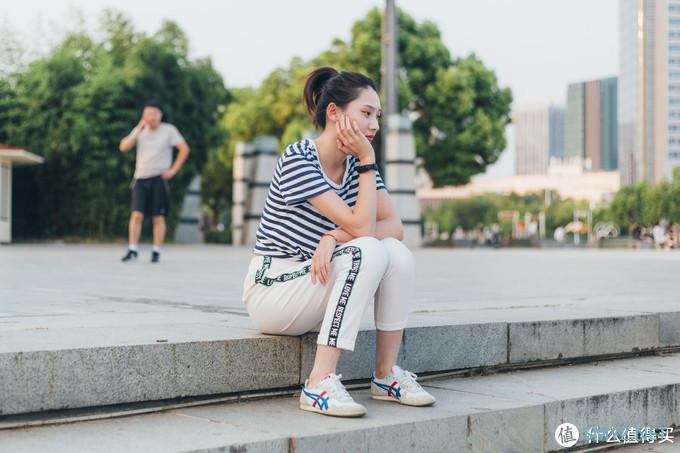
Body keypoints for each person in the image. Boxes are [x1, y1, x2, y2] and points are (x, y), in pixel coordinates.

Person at [241, 67, 435, 418]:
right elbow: (363, 227)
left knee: (397, 253)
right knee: (369, 248)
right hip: (273, 290)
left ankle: (386, 375)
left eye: (377, 115)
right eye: (365, 113)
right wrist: (366, 161)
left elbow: (394, 226)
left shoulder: (357, 168)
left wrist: (332, 237)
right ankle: (318, 383)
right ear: (334, 113)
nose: (374, 124)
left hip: (314, 281)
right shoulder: (300, 158)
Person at [118, 102, 190, 263]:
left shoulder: (168, 130)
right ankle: (132, 249)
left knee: (158, 217)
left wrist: (173, 170)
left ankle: (156, 250)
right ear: (144, 116)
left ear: (160, 114)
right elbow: (123, 147)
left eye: (155, 113)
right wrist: (138, 129)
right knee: (136, 215)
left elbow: (184, 149)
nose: (152, 116)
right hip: (140, 178)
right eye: (148, 113)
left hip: (159, 178)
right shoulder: (140, 131)